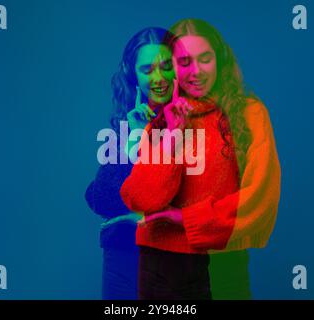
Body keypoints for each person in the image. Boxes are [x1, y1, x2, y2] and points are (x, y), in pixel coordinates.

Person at [120, 18, 281, 300]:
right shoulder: (162, 116)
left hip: (221, 261)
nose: (195, 71)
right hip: (158, 263)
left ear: (219, 58)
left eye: (204, 58)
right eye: (183, 62)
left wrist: (186, 218)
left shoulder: (250, 113)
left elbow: (261, 197)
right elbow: (141, 199)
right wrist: (171, 136)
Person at [85, 27, 176, 299]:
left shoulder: (198, 124)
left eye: (166, 66)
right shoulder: (127, 125)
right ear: (133, 77)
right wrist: (135, 138)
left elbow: (202, 200)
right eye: (147, 69)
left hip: (175, 261)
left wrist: (145, 217)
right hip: (124, 258)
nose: (158, 78)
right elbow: (100, 197)